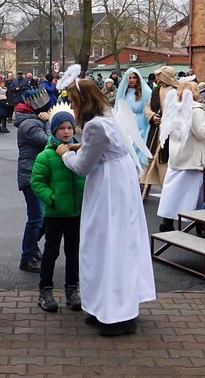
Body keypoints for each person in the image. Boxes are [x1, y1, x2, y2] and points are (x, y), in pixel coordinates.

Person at [58, 79, 155, 337]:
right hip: (120, 185)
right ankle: (107, 307)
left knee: (107, 246)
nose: (71, 106)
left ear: (82, 102)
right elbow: (107, 148)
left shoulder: (94, 126)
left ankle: (120, 315)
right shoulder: (110, 115)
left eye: (74, 101)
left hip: (108, 189)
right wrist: (80, 148)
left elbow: (82, 166)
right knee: (119, 245)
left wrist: (64, 153)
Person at [30, 105, 85, 313]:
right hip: (55, 214)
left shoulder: (79, 152)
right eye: (61, 128)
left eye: (70, 127)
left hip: (76, 213)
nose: (66, 132)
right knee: (50, 253)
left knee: (73, 253)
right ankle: (45, 290)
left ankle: (72, 289)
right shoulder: (46, 156)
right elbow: (37, 182)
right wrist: (51, 199)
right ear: (54, 131)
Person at [156, 81, 205, 232]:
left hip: (177, 158)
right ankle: (200, 225)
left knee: (173, 194)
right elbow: (202, 133)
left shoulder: (174, 108)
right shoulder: (196, 109)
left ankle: (167, 222)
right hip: (194, 160)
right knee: (197, 197)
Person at [14, 88, 52, 273]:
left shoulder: (31, 121)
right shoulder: (29, 124)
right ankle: (26, 257)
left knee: (44, 217)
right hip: (31, 176)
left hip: (38, 175)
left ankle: (33, 245)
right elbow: (49, 141)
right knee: (36, 218)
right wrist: (48, 122)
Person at [142, 66, 180, 196]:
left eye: (160, 75)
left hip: (171, 133)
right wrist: (152, 116)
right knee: (152, 159)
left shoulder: (177, 91)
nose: (157, 78)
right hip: (156, 132)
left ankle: (168, 192)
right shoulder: (155, 91)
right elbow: (147, 108)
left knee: (165, 161)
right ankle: (145, 189)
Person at [115, 67, 152, 168]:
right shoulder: (123, 93)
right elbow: (118, 107)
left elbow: (148, 109)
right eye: (130, 77)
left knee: (138, 149)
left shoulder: (146, 92)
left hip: (140, 125)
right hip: (125, 124)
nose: (131, 80)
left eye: (134, 78)